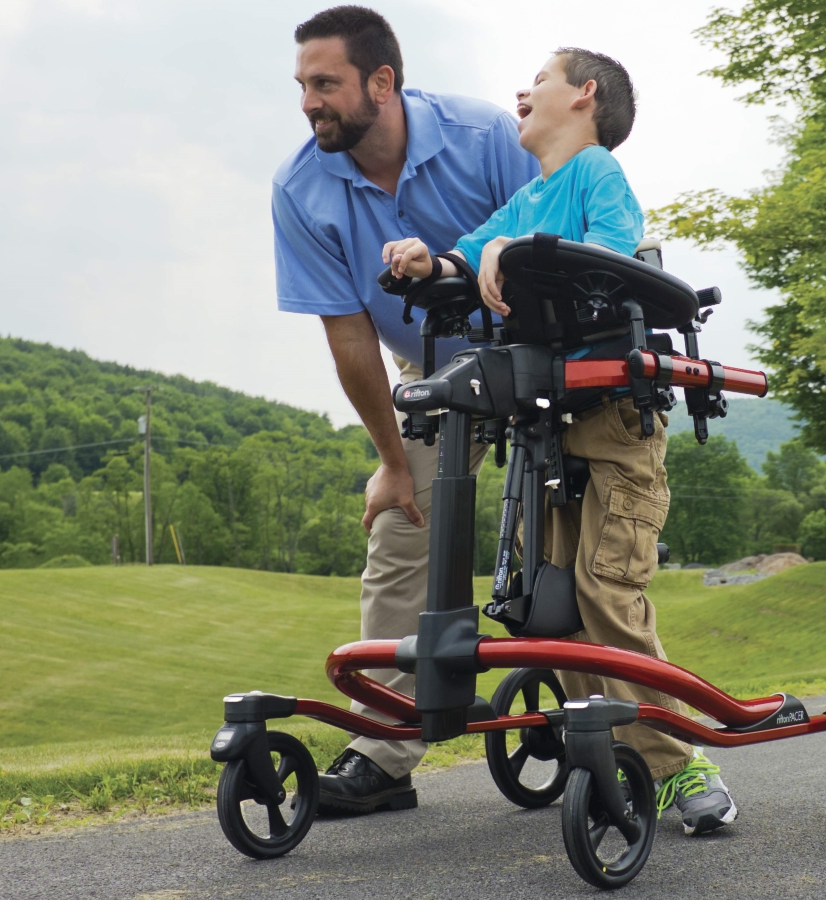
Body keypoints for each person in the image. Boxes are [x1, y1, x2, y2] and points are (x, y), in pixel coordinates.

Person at [380, 48, 739, 837]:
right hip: (548, 434)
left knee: (608, 590)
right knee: (553, 608)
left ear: (583, 97)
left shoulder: (597, 174)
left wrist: (517, 251)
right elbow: (470, 251)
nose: (521, 89)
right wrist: (426, 260)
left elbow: (610, 254)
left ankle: (680, 766)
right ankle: (608, 750)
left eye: (538, 79)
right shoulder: (532, 196)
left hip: (614, 429)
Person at [272, 5, 539, 815]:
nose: (310, 102)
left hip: (542, 344)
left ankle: (630, 734)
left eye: (326, 84)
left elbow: (555, 238)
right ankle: (384, 753)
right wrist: (393, 465)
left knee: (569, 538)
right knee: (399, 533)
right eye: (303, 86)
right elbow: (350, 338)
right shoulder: (300, 188)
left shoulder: (486, 136)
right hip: (428, 366)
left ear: (381, 83)